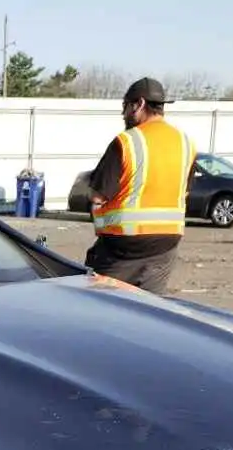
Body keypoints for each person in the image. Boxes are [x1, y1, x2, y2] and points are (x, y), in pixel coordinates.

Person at [85, 77, 196, 294]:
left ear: (139, 104)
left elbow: (97, 196)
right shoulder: (186, 143)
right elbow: (185, 190)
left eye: (125, 106)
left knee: (101, 307)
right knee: (149, 311)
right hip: (167, 243)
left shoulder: (126, 142)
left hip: (122, 247)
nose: (123, 113)